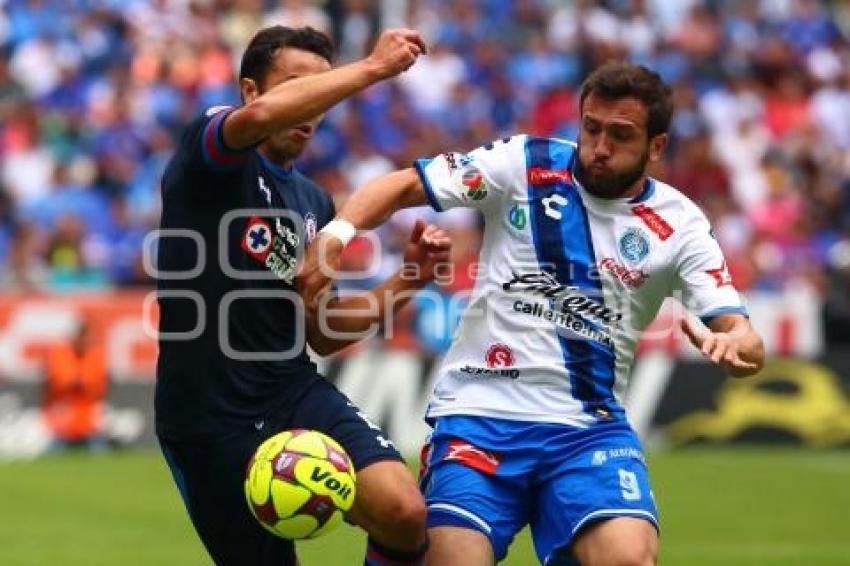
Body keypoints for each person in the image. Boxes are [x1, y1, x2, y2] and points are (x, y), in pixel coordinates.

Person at [300, 61, 765, 565]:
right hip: (479, 417)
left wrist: (735, 342)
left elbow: (741, 332)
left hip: (588, 431)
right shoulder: (524, 163)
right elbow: (400, 187)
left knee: (628, 559)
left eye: (620, 135)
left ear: (656, 146)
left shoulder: (680, 224)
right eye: (591, 128)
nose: (600, 147)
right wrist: (335, 236)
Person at [155, 25, 450, 566]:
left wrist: (409, 278)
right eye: (300, 85)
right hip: (208, 416)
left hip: (291, 392)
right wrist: (369, 70)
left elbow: (321, 329)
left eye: (325, 88)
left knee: (405, 514)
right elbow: (262, 120)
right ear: (250, 91)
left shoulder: (313, 200)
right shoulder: (212, 150)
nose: (315, 105)